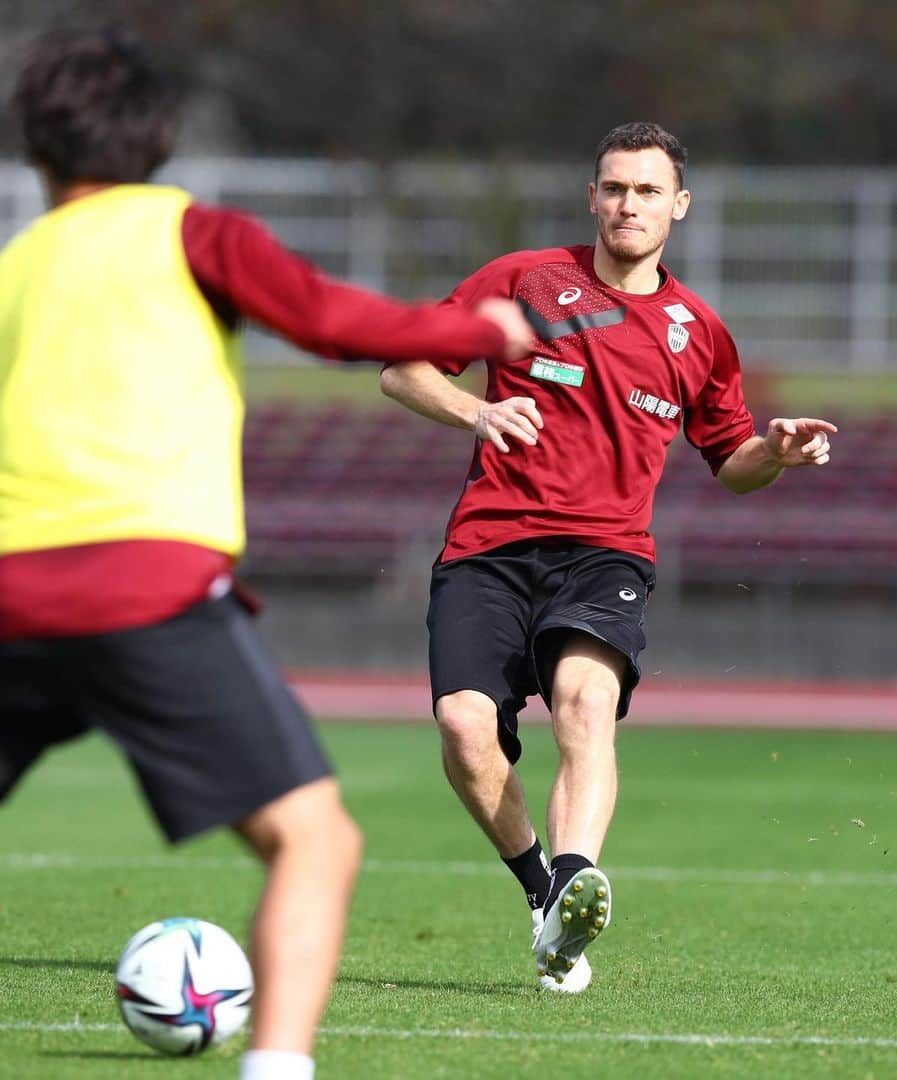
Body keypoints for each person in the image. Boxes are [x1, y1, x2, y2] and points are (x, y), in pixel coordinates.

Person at [0, 27, 532, 1080]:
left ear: (35, 142)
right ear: (157, 138)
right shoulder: (190, 233)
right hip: (144, 589)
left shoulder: (18, 266)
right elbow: (329, 321)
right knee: (315, 844)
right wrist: (473, 326)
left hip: (11, 593)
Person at [380, 121, 836, 993]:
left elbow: (731, 462)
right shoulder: (522, 282)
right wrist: (476, 412)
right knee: (465, 730)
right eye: (616, 188)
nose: (630, 205)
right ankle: (543, 893)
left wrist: (774, 452)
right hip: (489, 547)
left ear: (680, 207)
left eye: (649, 191)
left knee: (585, 706)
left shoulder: (697, 332)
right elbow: (404, 370)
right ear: (593, 196)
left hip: (606, 554)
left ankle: (575, 874)